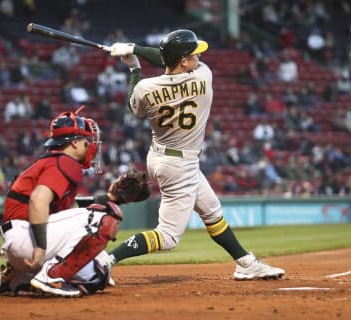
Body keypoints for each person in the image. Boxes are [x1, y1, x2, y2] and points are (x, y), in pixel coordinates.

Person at [103, 29, 285, 281]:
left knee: (211, 211)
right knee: (167, 237)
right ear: (184, 61)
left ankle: (245, 263)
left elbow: (135, 108)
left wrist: (134, 67)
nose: (198, 57)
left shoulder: (146, 87)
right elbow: (163, 57)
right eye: (193, 54)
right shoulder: (203, 76)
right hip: (180, 163)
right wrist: (136, 49)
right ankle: (106, 260)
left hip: (159, 156)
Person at [0, 106, 149, 297]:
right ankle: (49, 277)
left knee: (97, 276)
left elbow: (68, 211)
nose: (90, 145)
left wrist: (109, 198)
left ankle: (14, 281)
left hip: (19, 243)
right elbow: (38, 200)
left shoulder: (52, 161)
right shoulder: (66, 162)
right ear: (73, 143)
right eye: (85, 140)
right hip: (28, 240)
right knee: (107, 215)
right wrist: (40, 249)